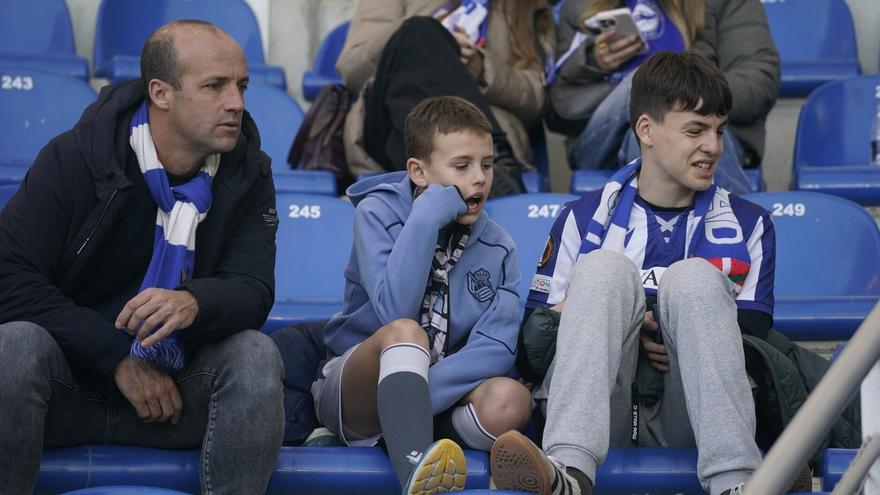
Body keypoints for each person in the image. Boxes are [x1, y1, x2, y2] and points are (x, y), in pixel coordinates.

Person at [0, 20, 283, 494]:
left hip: (177, 395)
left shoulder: (248, 173)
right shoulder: (75, 158)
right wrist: (118, 359)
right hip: (67, 386)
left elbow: (253, 289)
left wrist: (194, 301)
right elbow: (8, 278)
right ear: (161, 93)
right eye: (215, 86)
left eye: (241, 86)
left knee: (255, 354)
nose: (236, 103)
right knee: (13, 346)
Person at [489, 52, 776, 495]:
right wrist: (619, 321)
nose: (713, 146)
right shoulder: (579, 220)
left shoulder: (750, 223)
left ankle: (737, 482)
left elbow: (752, 341)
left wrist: (662, 324)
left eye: (719, 131)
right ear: (646, 131)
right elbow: (531, 354)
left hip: (694, 415)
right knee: (603, 270)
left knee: (694, 280)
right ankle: (569, 471)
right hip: (602, 408)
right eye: (695, 130)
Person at [302, 96, 531, 493]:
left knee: (511, 399)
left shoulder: (499, 245)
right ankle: (416, 476)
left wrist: (413, 398)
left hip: (434, 394)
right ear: (418, 172)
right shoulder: (377, 214)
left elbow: (495, 347)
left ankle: (413, 435)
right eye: (461, 166)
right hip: (358, 390)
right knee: (406, 332)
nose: (479, 178)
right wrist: (425, 216)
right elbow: (395, 309)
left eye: (487, 164)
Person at [551, 0, 780, 195]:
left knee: (649, 135)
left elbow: (758, 80)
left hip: (706, 132)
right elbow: (561, 110)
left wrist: (686, 97)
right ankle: (744, 232)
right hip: (603, 145)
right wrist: (591, 62)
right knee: (643, 83)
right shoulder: (581, 6)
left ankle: (658, 245)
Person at [337, 0, 555, 196]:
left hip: (479, 125)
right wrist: (430, 38)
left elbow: (538, 100)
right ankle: (489, 166)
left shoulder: (528, 6)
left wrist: (482, 69)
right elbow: (351, 68)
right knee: (419, 31)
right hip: (390, 118)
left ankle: (475, 166)